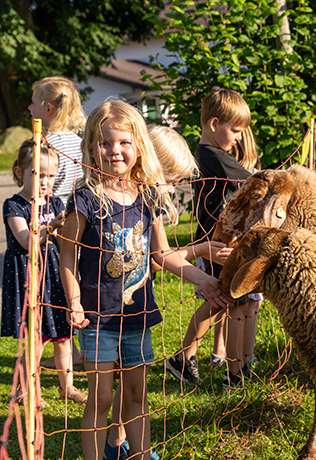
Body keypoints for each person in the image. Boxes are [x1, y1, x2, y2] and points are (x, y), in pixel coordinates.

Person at [59, 101, 232, 460]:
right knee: (102, 398)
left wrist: (203, 280)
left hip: (139, 315)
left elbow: (162, 255)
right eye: (104, 143)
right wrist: (74, 301)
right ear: (91, 147)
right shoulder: (85, 199)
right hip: (98, 318)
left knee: (137, 395)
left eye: (123, 142)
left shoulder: (148, 196)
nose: (114, 151)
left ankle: (140, 454)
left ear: (138, 146)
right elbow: (68, 256)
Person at [104, 124, 232, 460]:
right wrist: (200, 252)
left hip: (138, 300)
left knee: (133, 377)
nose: (173, 187)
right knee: (122, 378)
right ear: (150, 164)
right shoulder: (121, 198)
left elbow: (159, 257)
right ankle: (115, 444)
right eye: (171, 179)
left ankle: (119, 442)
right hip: (109, 304)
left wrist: (201, 271)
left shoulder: (147, 200)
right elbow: (159, 259)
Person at [166, 88, 262, 388]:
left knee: (226, 301)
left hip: (228, 240)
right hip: (217, 244)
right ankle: (234, 374)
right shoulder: (211, 156)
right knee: (229, 301)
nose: (238, 137)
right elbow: (253, 180)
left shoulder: (217, 155)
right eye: (235, 130)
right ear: (213, 124)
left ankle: (185, 358)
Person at [1, 139, 87, 405]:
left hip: (54, 276)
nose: (45, 181)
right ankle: (25, 390)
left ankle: (68, 387)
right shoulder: (14, 205)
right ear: (19, 172)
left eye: (51, 175)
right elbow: (26, 240)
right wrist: (51, 227)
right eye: (38, 174)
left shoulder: (56, 205)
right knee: (36, 340)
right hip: (29, 280)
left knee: (63, 336)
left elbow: (65, 246)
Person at [29, 75, 86, 368]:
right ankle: (71, 351)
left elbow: (38, 184)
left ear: (48, 109)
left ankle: (60, 350)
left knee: (50, 287)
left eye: (34, 102)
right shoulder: (78, 141)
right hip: (75, 219)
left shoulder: (44, 144)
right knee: (69, 283)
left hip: (50, 221)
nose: (29, 107)